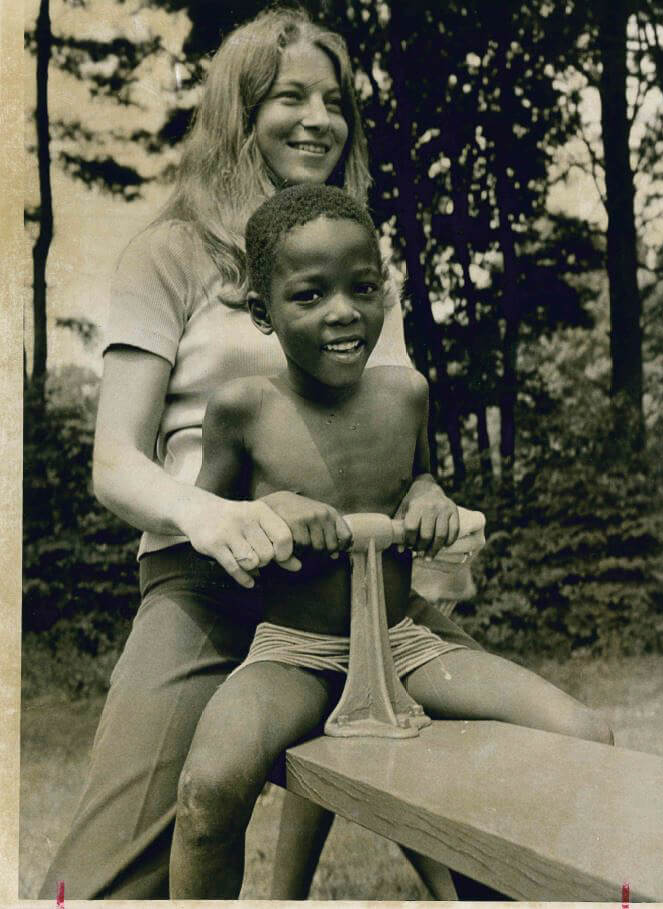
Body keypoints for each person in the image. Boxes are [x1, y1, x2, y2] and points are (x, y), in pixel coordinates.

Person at [38, 7, 487, 900]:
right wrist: (215, 517)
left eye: (335, 101)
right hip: (205, 581)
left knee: (499, 813)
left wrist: (432, 537)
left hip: (348, 588)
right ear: (239, 114)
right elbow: (114, 461)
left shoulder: (355, 263)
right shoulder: (169, 253)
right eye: (290, 98)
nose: (319, 120)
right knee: (106, 880)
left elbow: (397, 440)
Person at [167, 184, 614, 899]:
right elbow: (205, 532)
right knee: (206, 792)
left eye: (363, 287)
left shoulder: (405, 393)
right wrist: (268, 512)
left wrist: (431, 498)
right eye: (310, 295)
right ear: (262, 311)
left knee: (583, 735)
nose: (343, 311)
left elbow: (419, 478)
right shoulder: (243, 406)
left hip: (405, 645)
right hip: (295, 653)